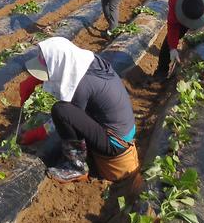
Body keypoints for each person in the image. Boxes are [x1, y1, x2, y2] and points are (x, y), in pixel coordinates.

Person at [19, 37, 139, 184]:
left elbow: (70, 116)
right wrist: (33, 81)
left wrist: (38, 134)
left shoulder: (82, 85)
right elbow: (58, 70)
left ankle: (76, 167)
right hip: (124, 128)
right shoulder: (85, 61)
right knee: (68, 112)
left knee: (61, 110)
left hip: (114, 142)